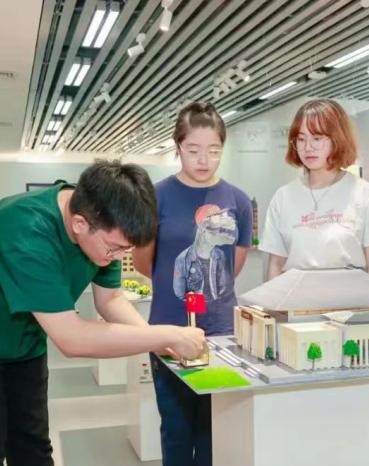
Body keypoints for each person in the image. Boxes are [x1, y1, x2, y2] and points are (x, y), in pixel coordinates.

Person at [0, 160, 206, 466]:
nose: (118, 257)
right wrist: (165, 335)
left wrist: (157, 340)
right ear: (80, 224)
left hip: (23, 339)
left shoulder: (101, 222)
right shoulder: (25, 228)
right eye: (115, 248)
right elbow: (72, 339)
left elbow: (110, 299)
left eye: (126, 249)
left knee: (32, 447)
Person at [133, 102, 252, 466]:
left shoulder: (238, 200)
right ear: (178, 147)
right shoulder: (156, 196)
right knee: (176, 428)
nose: (204, 160)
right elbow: (143, 262)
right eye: (193, 150)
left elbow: (234, 265)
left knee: (217, 429)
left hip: (221, 331)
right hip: (169, 327)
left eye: (214, 151)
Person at [260, 98, 369, 280]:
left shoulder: (364, 194)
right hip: (297, 294)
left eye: (317, 138)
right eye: (301, 139)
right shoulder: (283, 197)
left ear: (337, 139)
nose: (308, 147)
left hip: (349, 295)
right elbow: (276, 264)